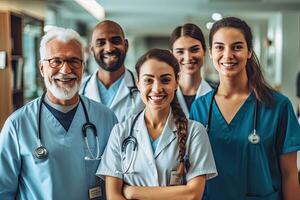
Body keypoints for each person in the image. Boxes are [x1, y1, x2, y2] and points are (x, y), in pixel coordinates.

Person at [0, 27, 118, 200]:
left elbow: (119, 182)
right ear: (42, 68)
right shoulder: (17, 125)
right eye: (56, 61)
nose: (65, 70)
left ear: (83, 67)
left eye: (74, 61)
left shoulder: (106, 118)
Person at [190, 17, 300, 200]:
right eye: (219, 47)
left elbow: (289, 174)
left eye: (237, 47)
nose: (227, 55)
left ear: (249, 51)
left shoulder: (277, 106)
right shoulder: (200, 108)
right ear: (210, 53)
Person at [97, 48, 217, 200]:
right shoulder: (121, 132)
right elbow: (113, 196)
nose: (157, 88)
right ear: (138, 83)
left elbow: (193, 194)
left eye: (165, 80)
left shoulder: (194, 132)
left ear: (176, 82)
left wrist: (133, 192)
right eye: (148, 80)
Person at [80, 20, 144, 122]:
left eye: (115, 41)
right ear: (92, 49)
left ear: (126, 46)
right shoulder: (79, 90)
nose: (109, 48)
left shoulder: (144, 88)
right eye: (101, 43)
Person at [169, 23, 212, 118]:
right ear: (171, 55)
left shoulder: (217, 95)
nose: (188, 58)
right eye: (180, 52)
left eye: (194, 50)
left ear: (204, 50)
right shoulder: (163, 95)